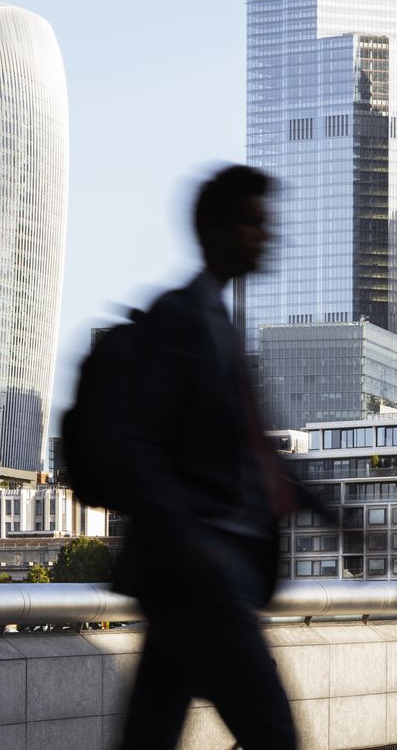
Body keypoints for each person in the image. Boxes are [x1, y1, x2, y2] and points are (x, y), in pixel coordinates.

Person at [115, 164, 313, 750]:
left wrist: (324, 503)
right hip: (203, 572)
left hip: (194, 571)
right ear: (216, 229)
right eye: (253, 222)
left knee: (148, 736)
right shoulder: (180, 318)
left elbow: (248, 452)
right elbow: (136, 443)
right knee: (274, 735)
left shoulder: (217, 323)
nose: (266, 234)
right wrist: (191, 538)